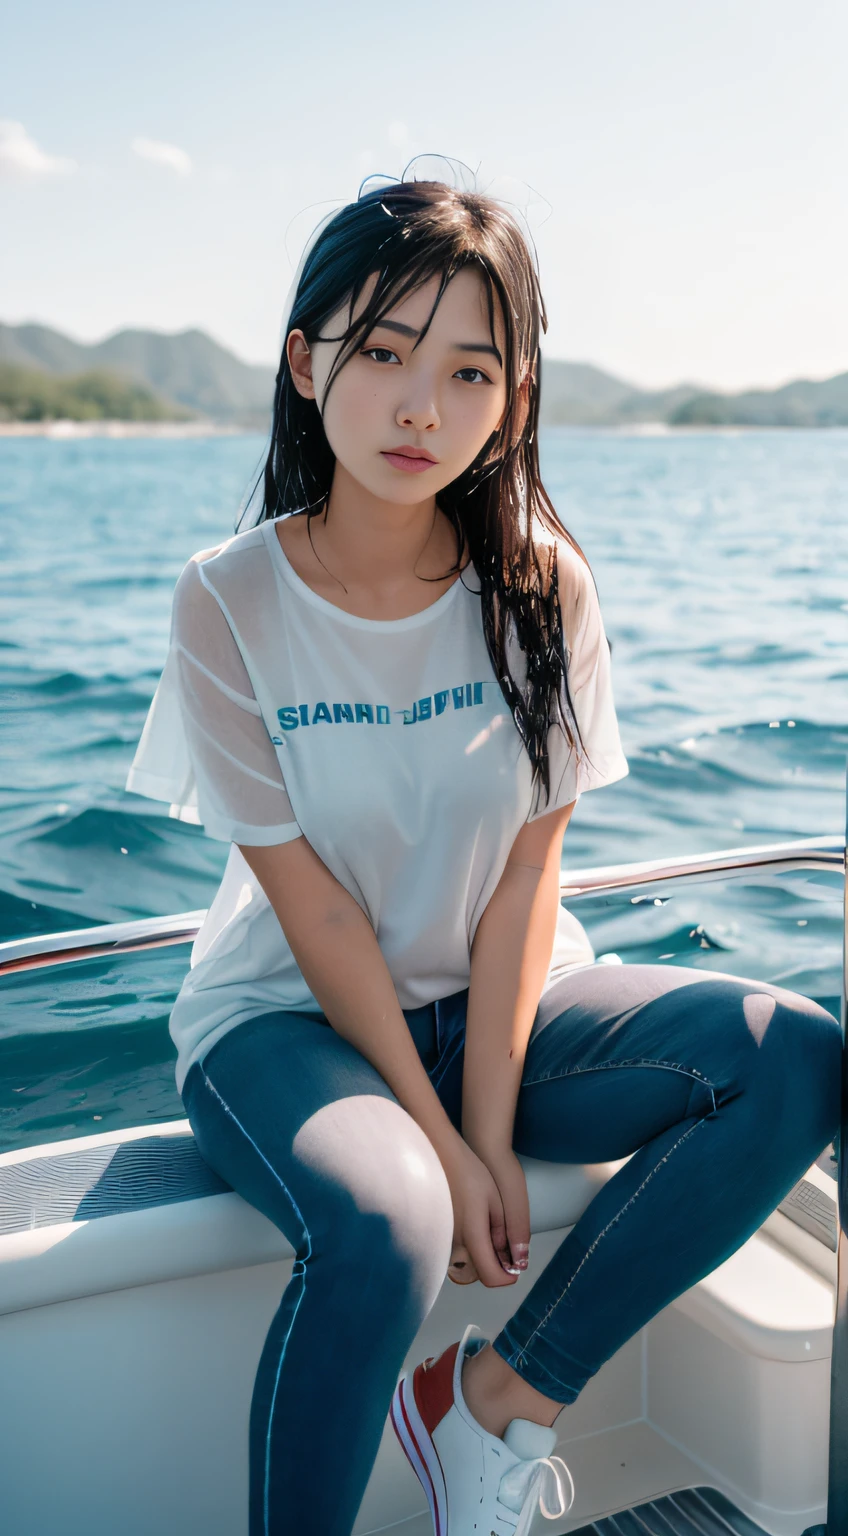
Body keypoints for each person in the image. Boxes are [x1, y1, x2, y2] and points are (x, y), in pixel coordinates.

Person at [126, 174, 840, 1536]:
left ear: (512, 400)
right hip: (287, 1020)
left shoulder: (542, 586)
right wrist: (445, 1151)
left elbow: (526, 882)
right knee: (391, 1220)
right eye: (384, 354)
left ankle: (502, 1395)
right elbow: (318, 917)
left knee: (792, 1051)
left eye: (469, 372)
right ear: (304, 361)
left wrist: (492, 1128)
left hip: (499, 1004)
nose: (419, 408)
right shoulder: (227, 599)